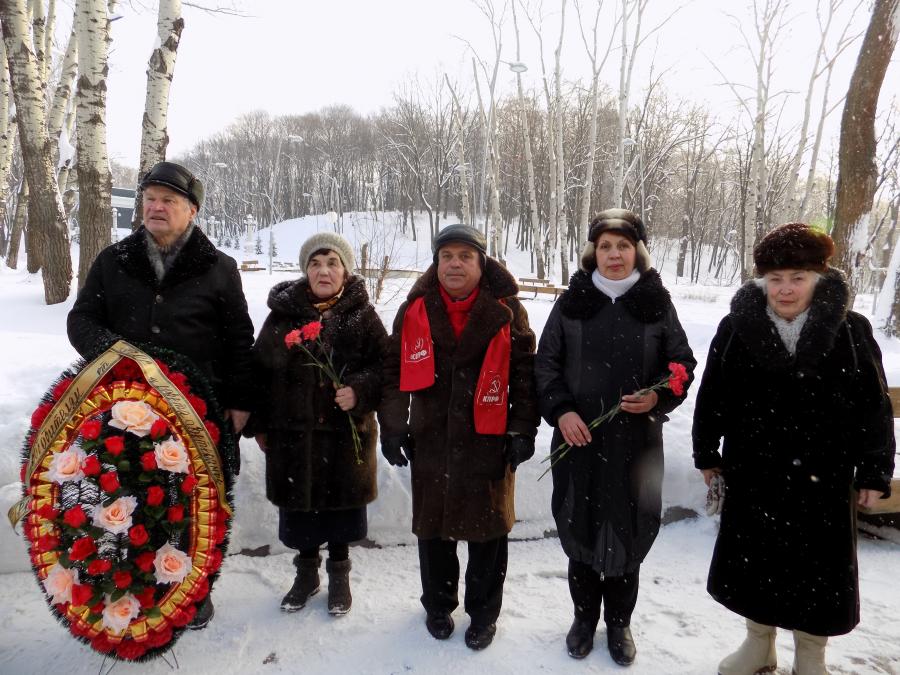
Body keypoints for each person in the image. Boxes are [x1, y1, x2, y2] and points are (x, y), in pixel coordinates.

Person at [692, 223, 895, 675]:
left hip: (823, 478)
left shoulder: (850, 330)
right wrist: (707, 454)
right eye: (776, 279)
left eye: (798, 278)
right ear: (762, 280)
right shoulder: (736, 326)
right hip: (754, 472)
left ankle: (811, 656)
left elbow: (874, 408)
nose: (785, 289)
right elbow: (713, 395)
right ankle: (758, 644)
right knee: (754, 564)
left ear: (818, 280)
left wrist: (875, 473)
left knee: (818, 574)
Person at [67, 160, 255, 629]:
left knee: (194, 503)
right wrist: (120, 357)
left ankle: (194, 590)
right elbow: (81, 321)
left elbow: (239, 340)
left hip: (199, 410)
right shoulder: (114, 261)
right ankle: (141, 584)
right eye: (150, 198)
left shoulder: (219, 268)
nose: (156, 207)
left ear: (191, 210)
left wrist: (240, 401)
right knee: (132, 498)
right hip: (127, 409)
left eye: (168, 200)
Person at [534, 208, 695, 665]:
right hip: (578, 440)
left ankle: (619, 624)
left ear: (637, 252)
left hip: (635, 446)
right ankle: (584, 619)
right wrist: (562, 411)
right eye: (605, 246)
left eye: (623, 246)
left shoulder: (657, 304)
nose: (614, 254)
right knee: (581, 527)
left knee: (628, 533)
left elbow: (682, 365)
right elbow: (545, 366)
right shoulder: (571, 304)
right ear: (593, 253)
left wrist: (657, 398)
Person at [378, 224, 539, 651]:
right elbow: (393, 372)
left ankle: (483, 614)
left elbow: (524, 375)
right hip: (431, 439)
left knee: (487, 535)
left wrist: (522, 428)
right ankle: (437, 605)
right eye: (447, 255)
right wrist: (393, 426)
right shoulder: (415, 309)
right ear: (437, 262)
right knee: (434, 532)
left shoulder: (507, 310)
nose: (455, 263)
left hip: (489, 440)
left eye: (465, 256)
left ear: (481, 264)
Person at [247, 232, 385, 616]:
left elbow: (384, 367)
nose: (324, 270)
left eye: (332, 262)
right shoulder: (283, 316)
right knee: (302, 510)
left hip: (345, 436)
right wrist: (260, 423)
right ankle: (306, 575)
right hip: (293, 436)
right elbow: (259, 371)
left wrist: (359, 391)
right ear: (305, 270)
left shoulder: (363, 316)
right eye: (315, 263)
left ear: (345, 270)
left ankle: (339, 576)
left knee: (340, 512)